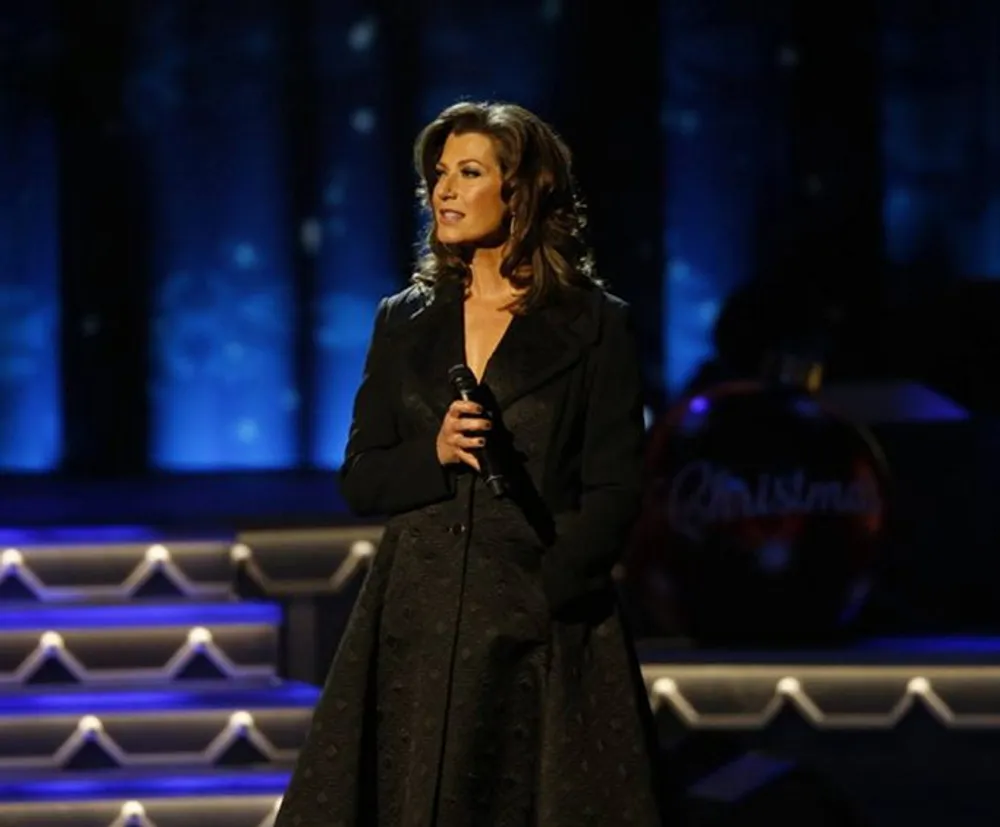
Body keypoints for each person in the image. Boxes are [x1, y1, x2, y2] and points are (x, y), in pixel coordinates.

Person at [275, 101, 667, 827]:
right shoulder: (404, 318)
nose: (444, 190)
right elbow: (362, 476)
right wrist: (435, 451)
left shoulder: (595, 323)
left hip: (539, 632)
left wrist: (550, 587)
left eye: (470, 172)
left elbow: (616, 488)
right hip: (417, 627)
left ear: (522, 191)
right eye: (439, 174)